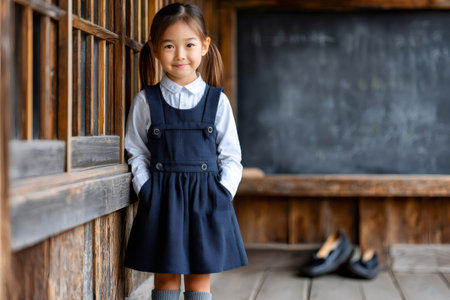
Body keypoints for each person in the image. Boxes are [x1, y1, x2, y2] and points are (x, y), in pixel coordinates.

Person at [123, 3, 248, 300]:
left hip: (205, 201)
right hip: (162, 200)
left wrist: (222, 192)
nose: (180, 55)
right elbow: (136, 150)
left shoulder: (217, 101)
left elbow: (231, 156)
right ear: (154, 49)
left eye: (189, 45)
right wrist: (146, 190)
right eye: (169, 46)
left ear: (204, 46)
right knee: (165, 279)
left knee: (198, 281)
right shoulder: (146, 100)